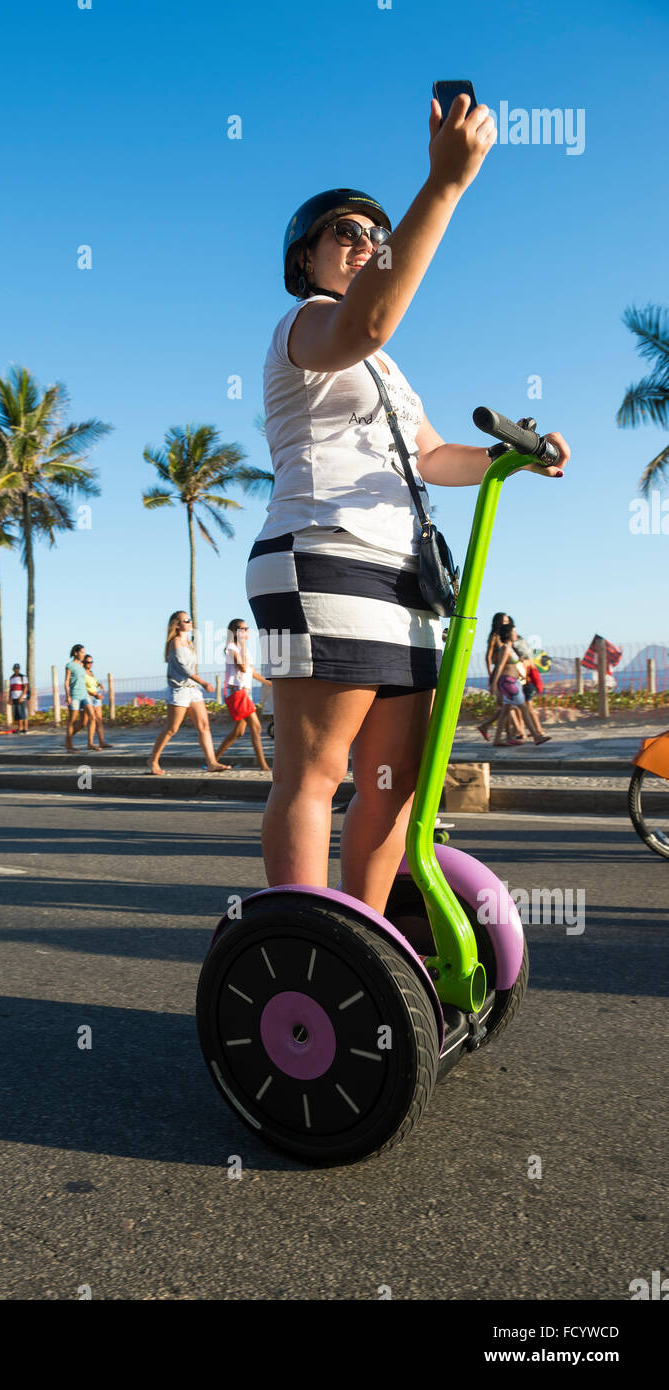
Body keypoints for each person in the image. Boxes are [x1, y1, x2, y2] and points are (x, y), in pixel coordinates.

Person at [244, 102, 570, 914]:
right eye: (345, 234)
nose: (364, 245)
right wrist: (446, 181)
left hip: (405, 579)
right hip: (317, 558)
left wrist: (511, 456)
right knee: (313, 774)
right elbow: (372, 316)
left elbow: (431, 457)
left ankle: (369, 946)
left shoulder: (387, 370)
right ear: (305, 258)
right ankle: (306, 947)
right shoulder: (311, 327)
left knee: (392, 786)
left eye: (373, 237)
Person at [148, 611, 232, 774]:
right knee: (172, 728)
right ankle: (153, 760)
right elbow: (184, 668)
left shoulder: (189, 643)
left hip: (193, 690)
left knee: (204, 726)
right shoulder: (176, 642)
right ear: (177, 625)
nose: (190, 622)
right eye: (186, 620)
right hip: (179, 689)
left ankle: (212, 762)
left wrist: (198, 684)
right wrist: (204, 683)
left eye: (190, 619)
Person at [214, 618, 272, 771]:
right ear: (234, 632)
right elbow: (243, 667)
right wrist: (243, 645)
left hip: (245, 692)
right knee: (256, 727)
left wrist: (270, 684)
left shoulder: (241, 649)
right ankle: (263, 765)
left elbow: (252, 672)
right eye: (242, 629)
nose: (246, 631)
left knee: (238, 732)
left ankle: (212, 760)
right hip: (237, 692)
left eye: (247, 629)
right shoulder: (231, 648)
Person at [489, 622, 550, 747]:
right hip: (508, 682)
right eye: (514, 632)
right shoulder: (505, 647)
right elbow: (500, 666)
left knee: (505, 711)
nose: (516, 634)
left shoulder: (511, 648)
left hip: (513, 681)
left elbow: (512, 664)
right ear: (508, 634)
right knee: (524, 708)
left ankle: (496, 738)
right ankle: (536, 736)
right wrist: (494, 685)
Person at [478, 612, 525, 742]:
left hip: (507, 675)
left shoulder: (507, 639)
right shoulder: (495, 637)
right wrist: (490, 675)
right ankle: (511, 734)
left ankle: (508, 734)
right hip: (500, 674)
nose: (507, 623)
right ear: (498, 622)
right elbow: (488, 657)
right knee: (508, 705)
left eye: (507, 621)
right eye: (504, 621)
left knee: (508, 706)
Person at [81, 655, 112, 749]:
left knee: (99, 720)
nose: (90, 664)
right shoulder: (82, 673)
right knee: (90, 720)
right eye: (87, 662)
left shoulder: (91, 673)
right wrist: (94, 694)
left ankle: (101, 742)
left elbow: (92, 683)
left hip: (96, 697)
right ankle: (89, 743)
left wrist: (99, 684)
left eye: (91, 662)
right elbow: (82, 687)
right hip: (88, 697)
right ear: (83, 663)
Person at [64, 643, 89, 750]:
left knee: (86, 720)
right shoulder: (69, 665)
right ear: (76, 653)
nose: (84, 654)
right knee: (72, 721)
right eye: (82, 652)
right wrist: (68, 696)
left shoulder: (82, 666)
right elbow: (66, 682)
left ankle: (90, 742)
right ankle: (69, 744)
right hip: (74, 695)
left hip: (84, 695)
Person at [9, 664, 29, 733]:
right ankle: (20, 728)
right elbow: (10, 689)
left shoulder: (23, 677)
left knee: (23, 712)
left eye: (17, 668)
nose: (16, 670)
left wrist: (21, 697)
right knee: (17, 713)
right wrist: (10, 698)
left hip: (21, 697)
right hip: (14, 697)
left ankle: (25, 728)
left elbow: (26, 687)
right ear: (13, 669)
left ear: (19, 669)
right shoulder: (11, 678)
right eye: (15, 668)